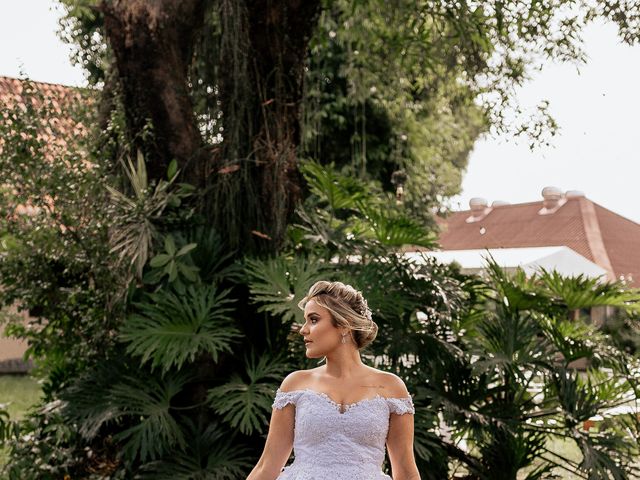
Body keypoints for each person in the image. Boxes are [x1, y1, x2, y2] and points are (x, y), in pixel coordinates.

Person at [247, 280, 421, 480]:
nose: (303, 329)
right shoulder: (295, 385)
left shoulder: (391, 387)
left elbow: (406, 471)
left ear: (344, 325)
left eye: (313, 320)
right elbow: (266, 467)